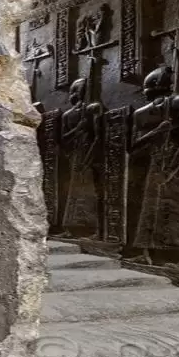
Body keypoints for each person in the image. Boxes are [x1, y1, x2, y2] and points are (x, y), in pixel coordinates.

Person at [128, 64, 179, 264]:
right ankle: (148, 253)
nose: (144, 93)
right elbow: (133, 146)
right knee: (150, 207)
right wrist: (156, 132)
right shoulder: (142, 113)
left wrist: (173, 168)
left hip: (177, 161)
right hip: (157, 161)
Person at [59, 77, 102, 237]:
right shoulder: (68, 115)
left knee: (90, 191)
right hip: (76, 155)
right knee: (74, 191)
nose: (71, 95)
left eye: (74, 91)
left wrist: (88, 159)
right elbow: (64, 139)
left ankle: (93, 228)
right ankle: (71, 227)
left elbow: (98, 137)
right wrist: (78, 128)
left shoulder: (92, 109)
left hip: (89, 155)